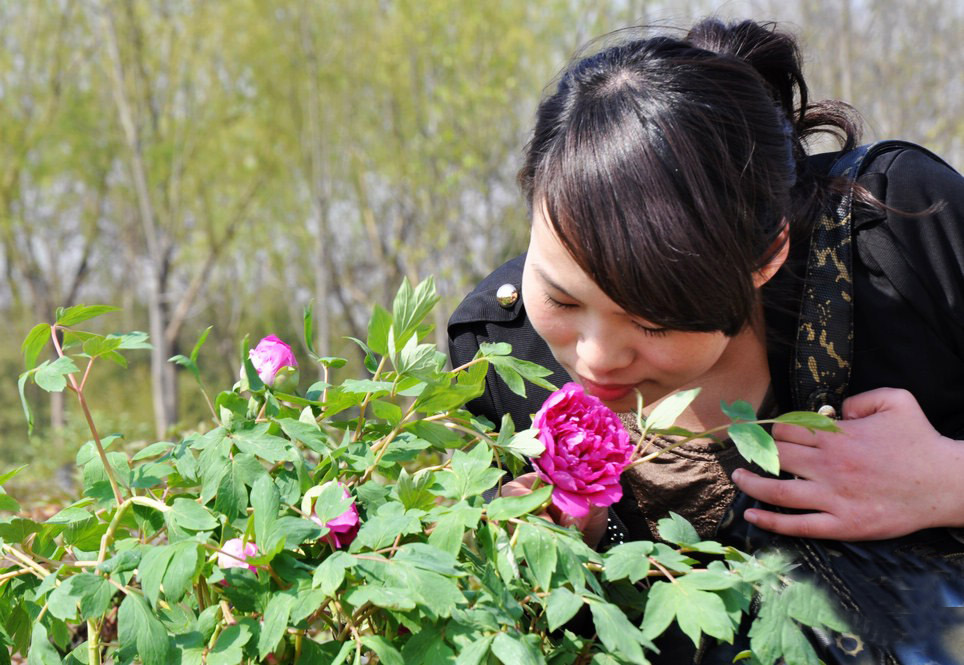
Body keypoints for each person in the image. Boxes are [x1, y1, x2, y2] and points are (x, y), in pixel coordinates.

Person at [447, 17, 964, 665]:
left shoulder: (894, 240)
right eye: (564, 298)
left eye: (653, 319)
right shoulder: (500, 357)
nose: (596, 356)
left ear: (767, 253)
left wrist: (946, 479)